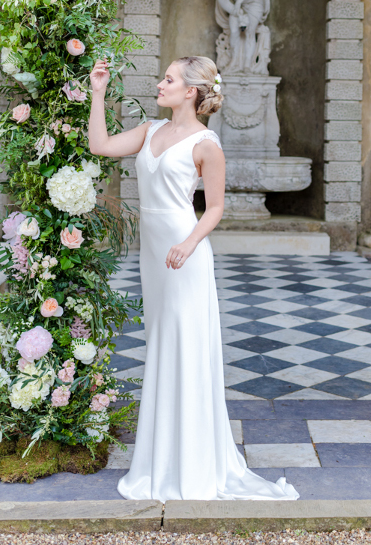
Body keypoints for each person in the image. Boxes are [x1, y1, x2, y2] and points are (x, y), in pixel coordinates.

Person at [88, 55, 298, 501]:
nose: (159, 84)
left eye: (168, 79)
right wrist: (98, 93)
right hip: (154, 259)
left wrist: (188, 243)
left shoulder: (207, 145)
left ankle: (191, 464)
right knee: (161, 345)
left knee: (184, 347)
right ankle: (161, 460)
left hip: (185, 257)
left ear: (190, 92)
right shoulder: (149, 131)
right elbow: (100, 145)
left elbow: (215, 208)